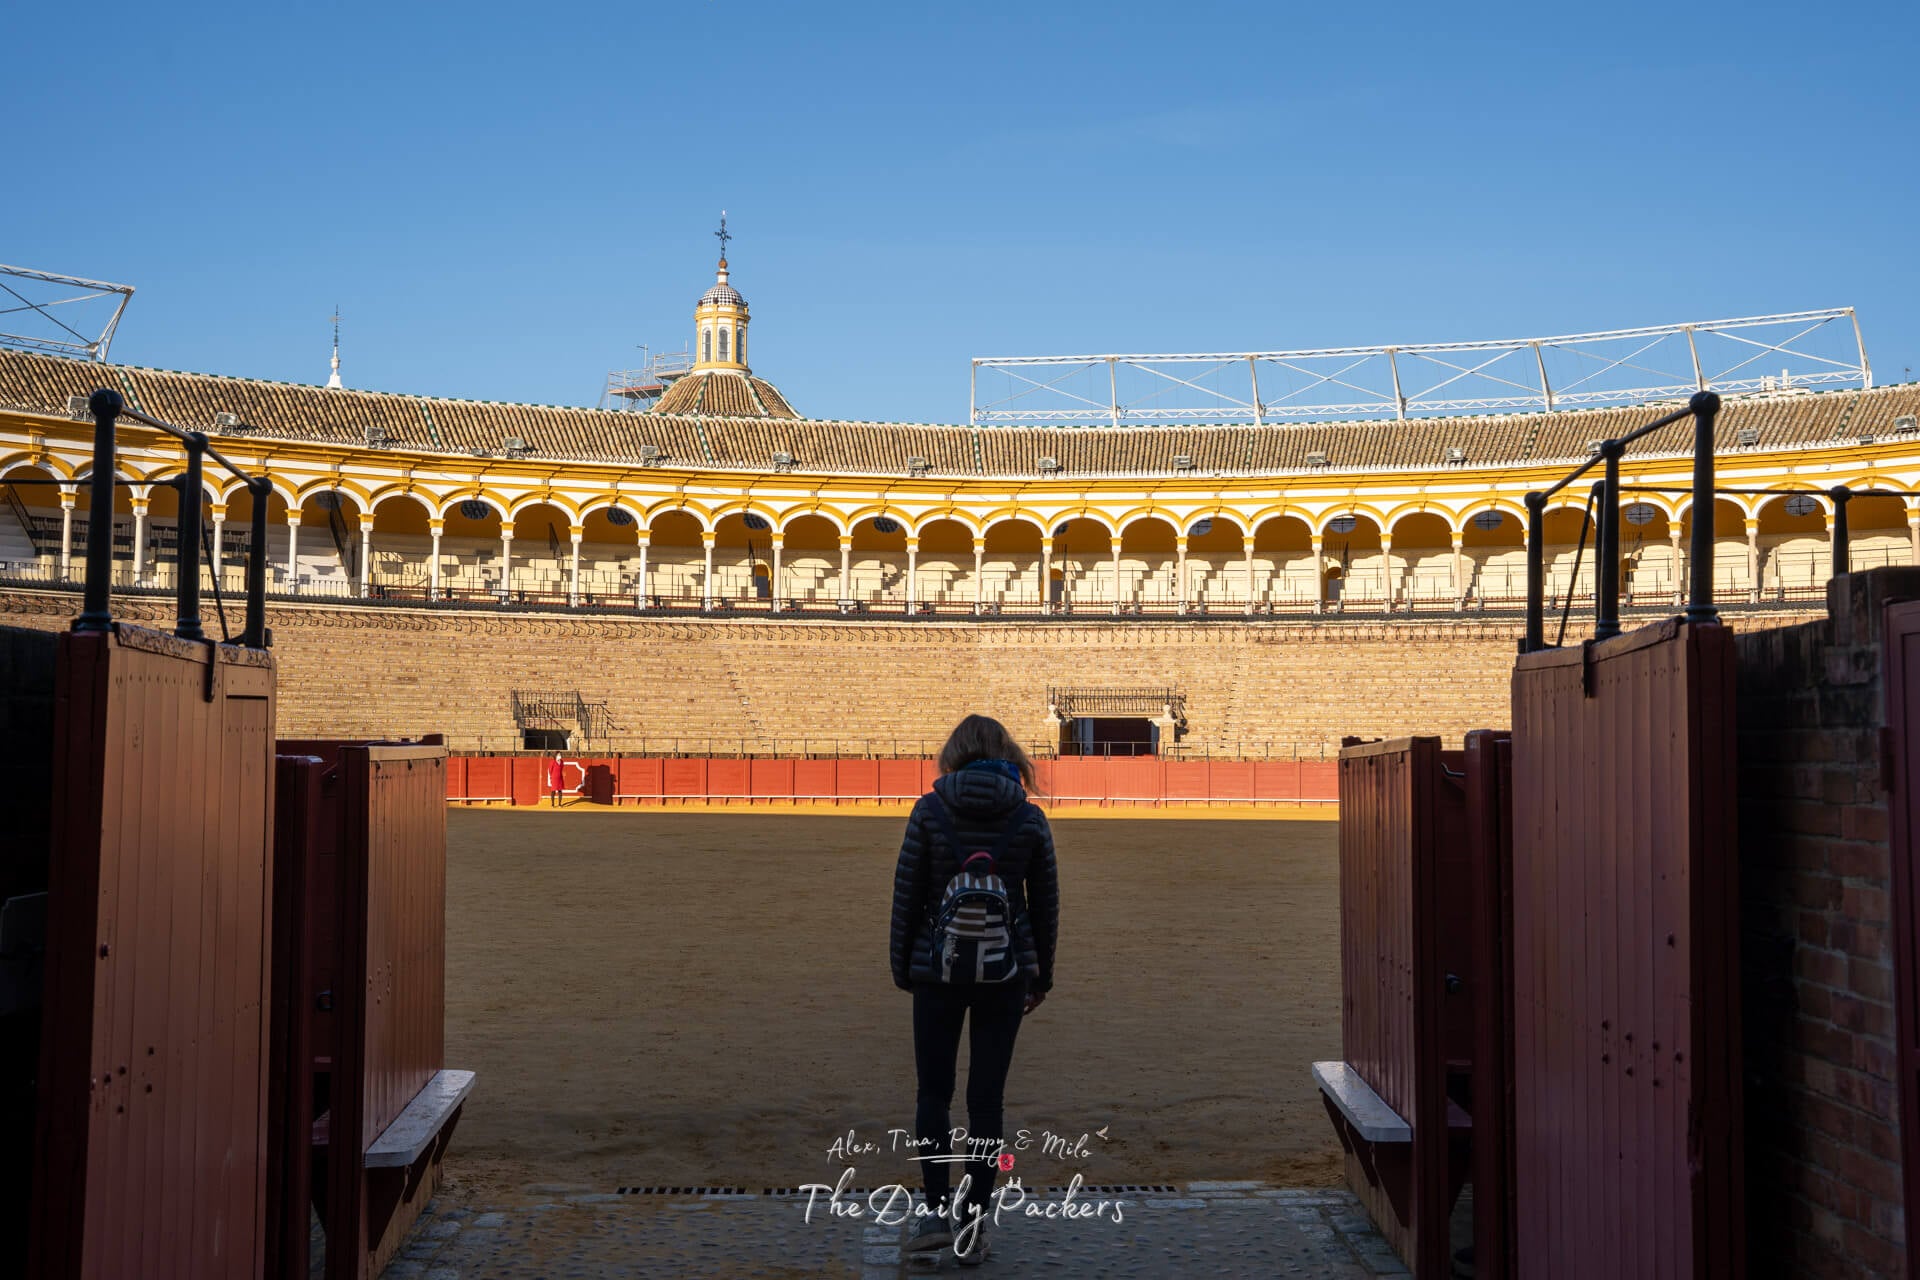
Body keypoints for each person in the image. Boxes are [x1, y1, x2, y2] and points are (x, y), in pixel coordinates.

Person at [889, 715, 1059, 1266]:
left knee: (932, 1094)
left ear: (953, 754)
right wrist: (1041, 975)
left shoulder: (928, 809)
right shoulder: (1028, 818)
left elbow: (907, 898)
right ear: (1007, 753)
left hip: (935, 971)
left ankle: (935, 1211)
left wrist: (904, 968)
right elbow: (1044, 907)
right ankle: (975, 1224)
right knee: (986, 1102)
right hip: (1004, 974)